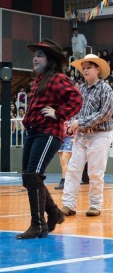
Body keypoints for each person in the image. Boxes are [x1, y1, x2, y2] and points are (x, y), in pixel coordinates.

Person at [16, 39, 83, 239]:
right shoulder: (40, 80)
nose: (35, 59)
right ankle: (53, 214)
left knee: (32, 176)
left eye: (40, 55)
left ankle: (38, 224)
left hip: (48, 133)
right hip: (35, 132)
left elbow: (77, 99)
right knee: (30, 178)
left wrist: (59, 113)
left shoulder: (58, 79)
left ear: (50, 59)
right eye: (35, 55)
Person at [62, 54, 113, 217]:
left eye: (88, 67)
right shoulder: (80, 89)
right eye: (83, 68)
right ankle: (68, 204)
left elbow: (105, 113)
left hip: (100, 135)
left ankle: (95, 205)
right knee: (73, 169)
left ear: (97, 69)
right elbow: (74, 110)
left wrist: (81, 123)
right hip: (81, 135)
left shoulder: (105, 89)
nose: (85, 71)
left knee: (95, 172)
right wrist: (72, 124)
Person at [55, 121, 74, 190]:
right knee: (62, 162)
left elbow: (78, 126)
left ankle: (64, 181)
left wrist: (76, 138)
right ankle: (68, 180)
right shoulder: (61, 114)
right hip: (60, 138)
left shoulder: (74, 114)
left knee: (64, 160)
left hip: (70, 139)